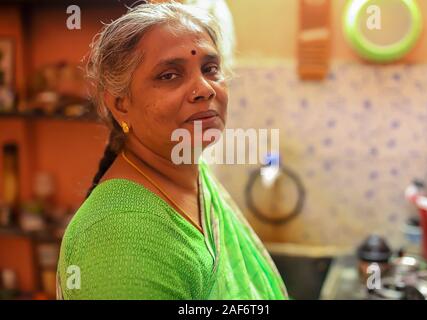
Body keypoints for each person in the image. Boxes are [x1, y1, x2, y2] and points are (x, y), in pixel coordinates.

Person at [57, 1, 288, 300]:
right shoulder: (121, 238)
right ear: (120, 104)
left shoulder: (188, 171)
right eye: (169, 75)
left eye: (210, 68)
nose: (204, 88)